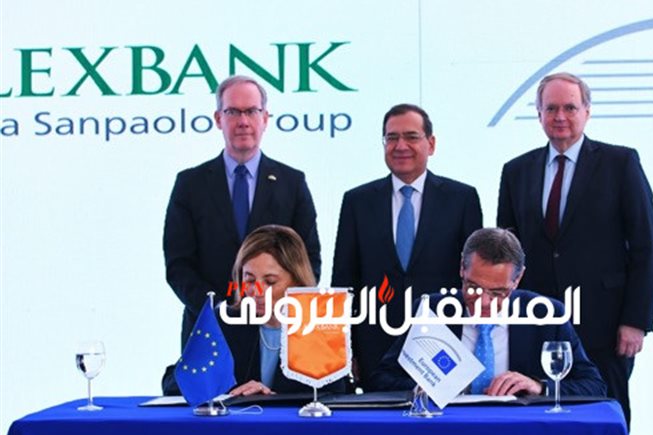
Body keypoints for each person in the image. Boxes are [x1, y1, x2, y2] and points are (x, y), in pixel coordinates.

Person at [496, 72, 653, 428]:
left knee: (604, 420)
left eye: (570, 107)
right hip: (535, 324)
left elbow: (646, 246)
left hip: (605, 325)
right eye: (551, 108)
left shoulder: (620, 163)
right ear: (539, 113)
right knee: (535, 422)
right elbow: (505, 255)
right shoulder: (516, 171)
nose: (560, 116)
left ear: (587, 111)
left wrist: (636, 321)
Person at [163, 75, 322, 355]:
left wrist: (276, 304)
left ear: (265, 118)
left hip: (277, 331)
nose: (243, 121)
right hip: (209, 329)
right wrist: (222, 310)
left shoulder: (292, 182)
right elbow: (178, 265)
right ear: (218, 119)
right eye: (233, 112)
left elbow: (308, 261)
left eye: (251, 111)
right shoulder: (190, 184)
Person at [332, 103, 483, 390]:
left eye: (411, 137)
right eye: (392, 138)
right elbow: (344, 281)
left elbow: (473, 277)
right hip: (375, 346)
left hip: (444, 343)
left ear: (431, 144)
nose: (400, 146)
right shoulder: (357, 201)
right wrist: (345, 348)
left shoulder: (462, 199)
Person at [371, 228, 606, 398]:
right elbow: (382, 379)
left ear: (517, 279)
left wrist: (540, 386)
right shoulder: (431, 311)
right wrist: (425, 388)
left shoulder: (546, 314)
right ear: (462, 268)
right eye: (473, 287)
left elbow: (594, 385)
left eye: (497, 292)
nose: (483, 302)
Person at [224, 225, 343, 395]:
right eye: (249, 280)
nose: (257, 292)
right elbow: (191, 384)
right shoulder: (225, 321)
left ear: (296, 281)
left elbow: (333, 397)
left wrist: (273, 400)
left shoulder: (321, 328)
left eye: (270, 282)